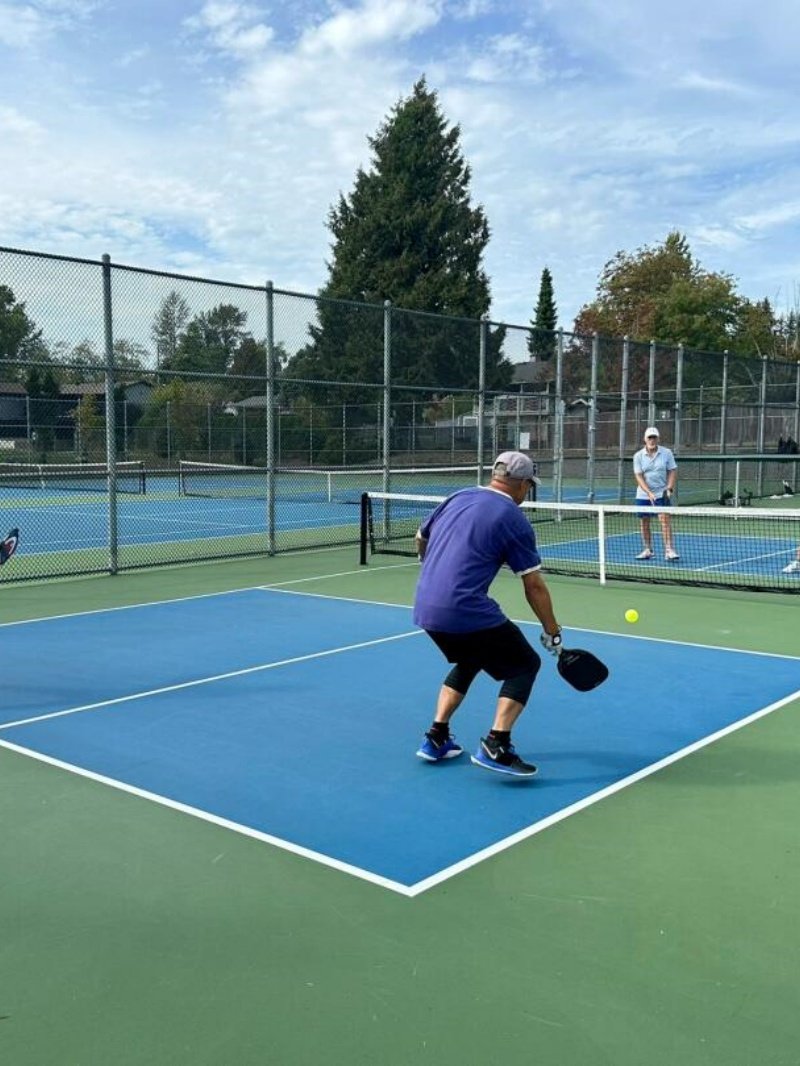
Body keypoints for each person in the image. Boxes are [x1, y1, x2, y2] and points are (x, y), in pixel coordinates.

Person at [412, 451, 563, 778]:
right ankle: (497, 744)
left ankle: (436, 738)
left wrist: (435, 573)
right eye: (529, 486)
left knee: (471, 658)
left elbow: (420, 538)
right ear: (522, 485)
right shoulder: (513, 518)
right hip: (463, 608)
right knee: (526, 664)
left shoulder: (458, 496)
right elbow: (533, 586)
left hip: (424, 605)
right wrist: (552, 629)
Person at [633, 427, 679, 561]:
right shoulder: (638, 456)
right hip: (643, 494)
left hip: (661, 492)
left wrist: (669, 488)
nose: (652, 440)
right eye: (649, 438)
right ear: (645, 439)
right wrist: (648, 493)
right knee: (644, 522)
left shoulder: (667, 453)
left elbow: (672, 470)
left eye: (654, 437)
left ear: (658, 439)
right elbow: (639, 476)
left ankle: (669, 550)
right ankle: (648, 549)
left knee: (665, 521)